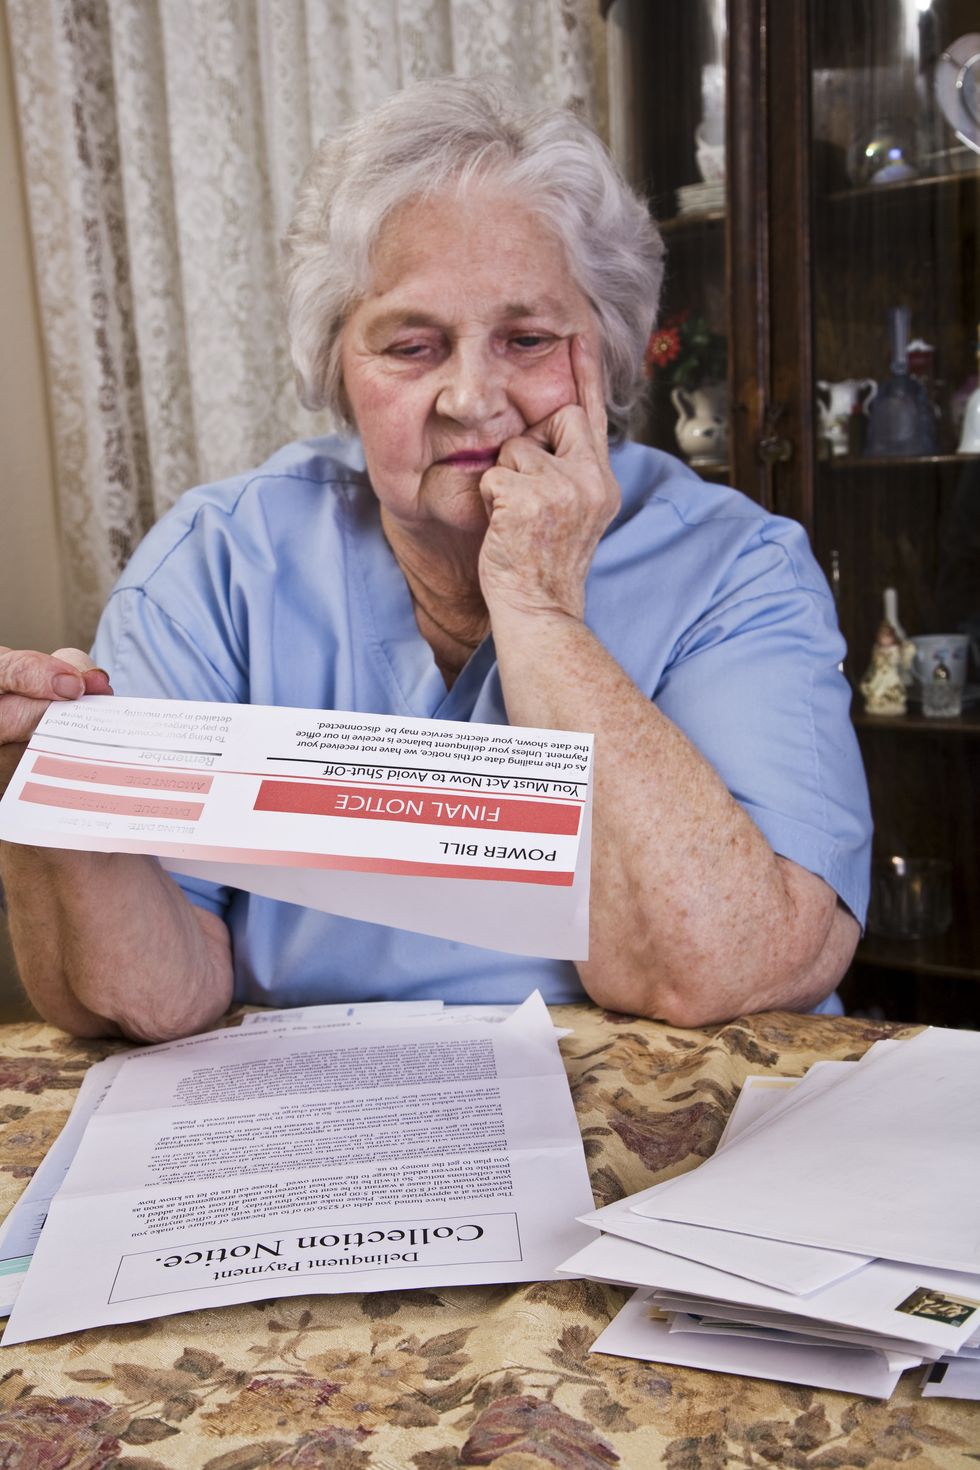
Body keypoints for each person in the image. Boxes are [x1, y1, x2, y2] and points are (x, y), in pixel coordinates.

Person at [0, 78, 871, 1042]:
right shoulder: (220, 567)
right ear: (338, 370)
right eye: (411, 346)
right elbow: (161, 996)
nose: (470, 395)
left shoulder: (738, 567)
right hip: (326, 1123)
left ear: (613, 351)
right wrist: (58, 807)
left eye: (528, 339)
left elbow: (723, 971)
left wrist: (539, 613)